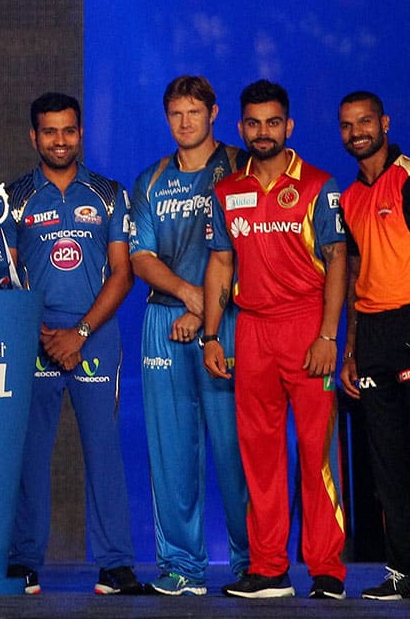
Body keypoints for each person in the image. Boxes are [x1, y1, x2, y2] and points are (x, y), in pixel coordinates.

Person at [202, 79, 347, 599]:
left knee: (315, 452)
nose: (263, 132)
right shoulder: (227, 191)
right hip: (253, 330)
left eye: (273, 123)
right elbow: (221, 262)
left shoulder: (319, 186)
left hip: (307, 324)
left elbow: (337, 262)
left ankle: (327, 568)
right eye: (253, 123)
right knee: (259, 455)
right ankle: (269, 569)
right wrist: (213, 337)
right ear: (241, 128)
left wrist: (329, 334)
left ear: (288, 126)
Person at [4, 92, 140, 596]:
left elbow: (123, 273)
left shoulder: (108, 193)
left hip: (94, 333)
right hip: (35, 333)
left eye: (68, 131)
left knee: (104, 449)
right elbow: (5, 271)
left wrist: (79, 333)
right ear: (33, 136)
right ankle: (23, 562)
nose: (59, 140)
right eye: (49, 132)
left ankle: (116, 564)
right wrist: (42, 332)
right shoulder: (14, 196)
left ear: (80, 134)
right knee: (29, 452)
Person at [129, 76, 249, 595]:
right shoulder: (152, 179)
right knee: (171, 451)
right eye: (176, 114)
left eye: (194, 113)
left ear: (214, 113)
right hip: (165, 318)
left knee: (235, 449)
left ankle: (255, 563)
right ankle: (182, 567)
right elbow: (140, 257)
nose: (184, 123)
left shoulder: (242, 167)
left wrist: (206, 313)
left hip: (232, 318)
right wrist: (187, 294)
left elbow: (250, 248)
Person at [336, 91, 410, 600]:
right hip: (371, 336)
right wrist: (349, 349)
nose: (357, 133)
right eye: (347, 126)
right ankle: (406, 571)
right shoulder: (350, 198)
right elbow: (352, 278)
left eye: (365, 122)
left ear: (385, 123)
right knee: (388, 462)